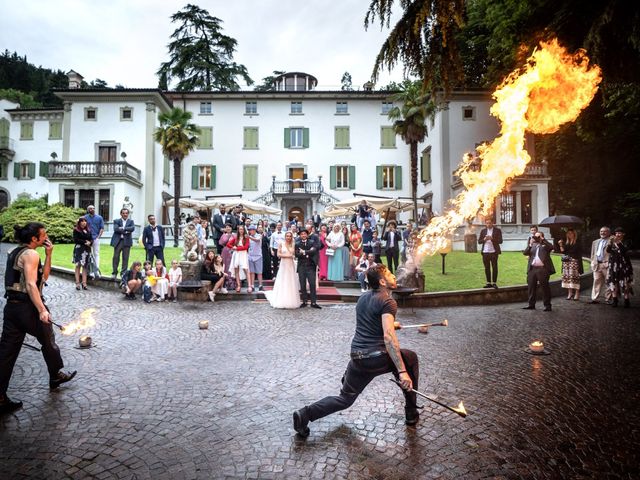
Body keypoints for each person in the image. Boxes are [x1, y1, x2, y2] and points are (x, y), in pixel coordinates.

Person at [292, 264, 420, 437]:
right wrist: (402, 372)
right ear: (382, 281)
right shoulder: (388, 301)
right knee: (410, 358)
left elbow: (372, 325)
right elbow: (388, 338)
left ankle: (304, 414)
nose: (393, 276)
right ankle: (411, 411)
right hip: (375, 358)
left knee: (345, 399)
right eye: (389, 274)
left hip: (357, 358)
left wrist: (391, 325)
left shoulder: (363, 298)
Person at [0, 222, 77, 414]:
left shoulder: (16, 251)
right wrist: (42, 310)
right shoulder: (32, 254)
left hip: (12, 308)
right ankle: (56, 375)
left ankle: (0, 397)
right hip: (28, 307)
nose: (46, 237)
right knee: (48, 339)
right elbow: (32, 286)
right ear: (34, 239)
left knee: (7, 352)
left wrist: (49, 255)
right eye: (43, 235)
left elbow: (44, 278)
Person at [265, 232, 301, 309]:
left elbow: (295, 255)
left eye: (290, 236)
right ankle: (281, 299)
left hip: (291, 265)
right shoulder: (281, 243)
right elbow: (278, 254)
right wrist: (288, 256)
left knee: (290, 281)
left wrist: (293, 256)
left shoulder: (293, 244)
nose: (288, 237)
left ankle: (290, 299)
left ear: (291, 237)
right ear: (285, 237)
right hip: (283, 264)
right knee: (283, 280)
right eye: (287, 236)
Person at [523, 231, 555, 311]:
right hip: (532, 268)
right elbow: (525, 253)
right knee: (531, 287)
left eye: (538, 236)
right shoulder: (532, 245)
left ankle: (547, 305)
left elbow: (552, 247)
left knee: (544, 287)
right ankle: (531, 304)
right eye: (535, 236)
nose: (536, 238)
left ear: (542, 236)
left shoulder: (545, 245)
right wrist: (530, 244)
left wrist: (543, 240)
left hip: (542, 269)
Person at [606, 227, 634, 308]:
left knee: (625, 283)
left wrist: (617, 242)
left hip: (624, 266)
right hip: (613, 265)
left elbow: (624, 251)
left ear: (623, 234)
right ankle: (615, 300)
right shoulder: (612, 242)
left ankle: (626, 300)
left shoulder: (626, 242)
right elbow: (608, 251)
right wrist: (610, 243)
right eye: (616, 233)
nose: (617, 234)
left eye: (619, 233)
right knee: (613, 282)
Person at [296, 229, 321, 309]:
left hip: (311, 266)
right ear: (300, 235)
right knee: (302, 284)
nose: (303, 235)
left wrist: (304, 252)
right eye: (302, 234)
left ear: (307, 235)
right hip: (301, 266)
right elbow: (297, 254)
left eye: (305, 234)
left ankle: (313, 302)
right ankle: (304, 301)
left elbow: (313, 251)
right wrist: (307, 252)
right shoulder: (297, 244)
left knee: (312, 284)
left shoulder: (312, 242)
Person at [557, 228, 583, 301]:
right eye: (568, 233)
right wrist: (560, 245)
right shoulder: (566, 242)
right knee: (568, 278)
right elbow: (563, 252)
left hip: (574, 262)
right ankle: (570, 293)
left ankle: (577, 293)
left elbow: (576, 251)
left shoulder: (577, 242)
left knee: (574, 277)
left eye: (571, 233)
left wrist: (568, 253)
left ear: (574, 234)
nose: (569, 235)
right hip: (567, 263)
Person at [589, 226, 612, 304]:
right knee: (596, 281)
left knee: (608, 281)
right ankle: (594, 298)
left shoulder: (611, 241)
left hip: (607, 265)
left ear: (608, 233)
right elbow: (592, 254)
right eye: (601, 231)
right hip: (597, 265)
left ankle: (608, 299)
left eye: (605, 231)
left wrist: (610, 263)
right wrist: (592, 262)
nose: (602, 233)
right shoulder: (595, 242)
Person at [110, 208, 135, 277]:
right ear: (121, 214)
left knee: (125, 258)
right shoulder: (116, 221)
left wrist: (123, 228)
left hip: (127, 242)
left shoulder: (131, 221)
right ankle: (114, 272)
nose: (125, 214)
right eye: (123, 213)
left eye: (126, 213)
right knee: (116, 257)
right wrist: (126, 230)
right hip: (118, 241)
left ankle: (123, 273)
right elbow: (116, 229)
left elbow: (132, 228)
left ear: (128, 214)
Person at [478, 219, 503, 288]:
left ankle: (494, 282)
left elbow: (500, 241)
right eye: (487, 223)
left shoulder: (497, 230)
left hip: (494, 252)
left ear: (492, 223)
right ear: (485, 224)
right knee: (487, 268)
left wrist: (492, 238)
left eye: (489, 223)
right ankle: (488, 282)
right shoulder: (483, 231)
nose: (488, 224)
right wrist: (484, 239)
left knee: (494, 267)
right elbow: (479, 241)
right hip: (485, 252)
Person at [227, 224, 250, 293]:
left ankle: (249, 286)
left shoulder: (246, 238)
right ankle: (238, 285)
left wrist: (237, 248)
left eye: (242, 229)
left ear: (244, 230)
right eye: (240, 229)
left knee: (246, 269)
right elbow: (228, 244)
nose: (241, 231)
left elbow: (246, 247)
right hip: (236, 255)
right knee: (236, 270)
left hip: (243, 254)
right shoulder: (235, 238)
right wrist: (233, 247)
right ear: (238, 230)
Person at [72, 217, 93, 291]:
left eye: (85, 221)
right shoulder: (76, 230)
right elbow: (76, 239)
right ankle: (77, 283)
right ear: (79, 222)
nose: (84, 222)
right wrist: (85, 242)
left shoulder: (88, 230)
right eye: (82, 221)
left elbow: (91, 238)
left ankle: (84, 283)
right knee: (78, 265)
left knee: (85, 266)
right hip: (79, 249)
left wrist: (90, 242)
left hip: (87, 250)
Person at [84, 205, 104, 271]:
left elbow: (102, 228)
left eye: (93, 208)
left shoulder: (99, 218)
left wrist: (98, 237)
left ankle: (96, 268)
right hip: (87, 239)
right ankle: (88, 268)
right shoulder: (85, 218)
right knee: (87, 254)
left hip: (95, 238)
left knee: (96, 253)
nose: (92, 209)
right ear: (88, 210)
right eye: (90, 208)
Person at [247, 225, 264, 293]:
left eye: (252, 230)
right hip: (250, 256)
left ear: (254, 230)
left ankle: (260, 285)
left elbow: (257, 240)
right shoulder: (249, 237)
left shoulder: (259, 235)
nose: (251, 231)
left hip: (258, 256)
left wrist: (249, 237)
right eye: (250, 230)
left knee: (259, 272)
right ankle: (252, 285)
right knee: (252, 272)